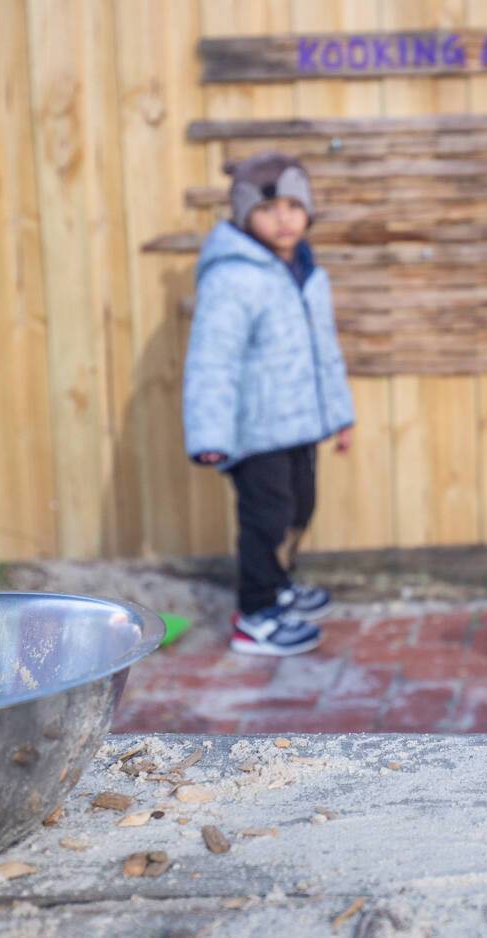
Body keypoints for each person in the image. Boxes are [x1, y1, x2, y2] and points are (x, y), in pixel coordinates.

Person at [183, 152, 355, 656]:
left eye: (293, 206)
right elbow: (211, 360)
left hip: (300, 424)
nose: (284, 219)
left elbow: (326, 352)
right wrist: (210, 434)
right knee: (267, 519)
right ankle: (255, 614)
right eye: (269, 208)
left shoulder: (306, 272)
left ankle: (280, 584)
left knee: (302, 506)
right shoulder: (232, 278)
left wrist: (339, 415)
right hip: (252, 431)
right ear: (244, 216)